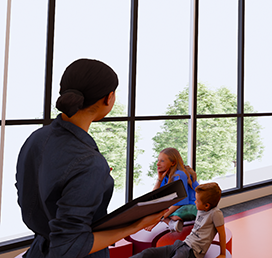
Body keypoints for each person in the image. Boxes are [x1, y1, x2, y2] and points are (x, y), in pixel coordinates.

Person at [15, 59, 163, 258]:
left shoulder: (36, 138)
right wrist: (135, 225)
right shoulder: (89, 163)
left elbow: (27, 194)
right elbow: (67, 248)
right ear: (108, 98)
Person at [132, 182, 227, 258]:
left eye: (197, 201)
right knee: (148, 253)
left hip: (192, 252)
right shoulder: (201, 209)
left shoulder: (215, 213)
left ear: (207, 205)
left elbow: (222, 233)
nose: (195, 202)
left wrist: (223, 254)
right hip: (182, 244)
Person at [148, 147, 199, 233]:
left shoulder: (179, 175)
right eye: (158, 160)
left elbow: (180, 202)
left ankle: (173, 221)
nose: (157, 164)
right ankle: (172, 222)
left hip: (192, 207)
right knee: (153, 208)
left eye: (162, 161)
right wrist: (159, 179)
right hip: (180, 205)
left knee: (161, 212)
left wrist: (155, 221)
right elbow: (153, 197)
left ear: (173, 163)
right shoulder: (166, 174)